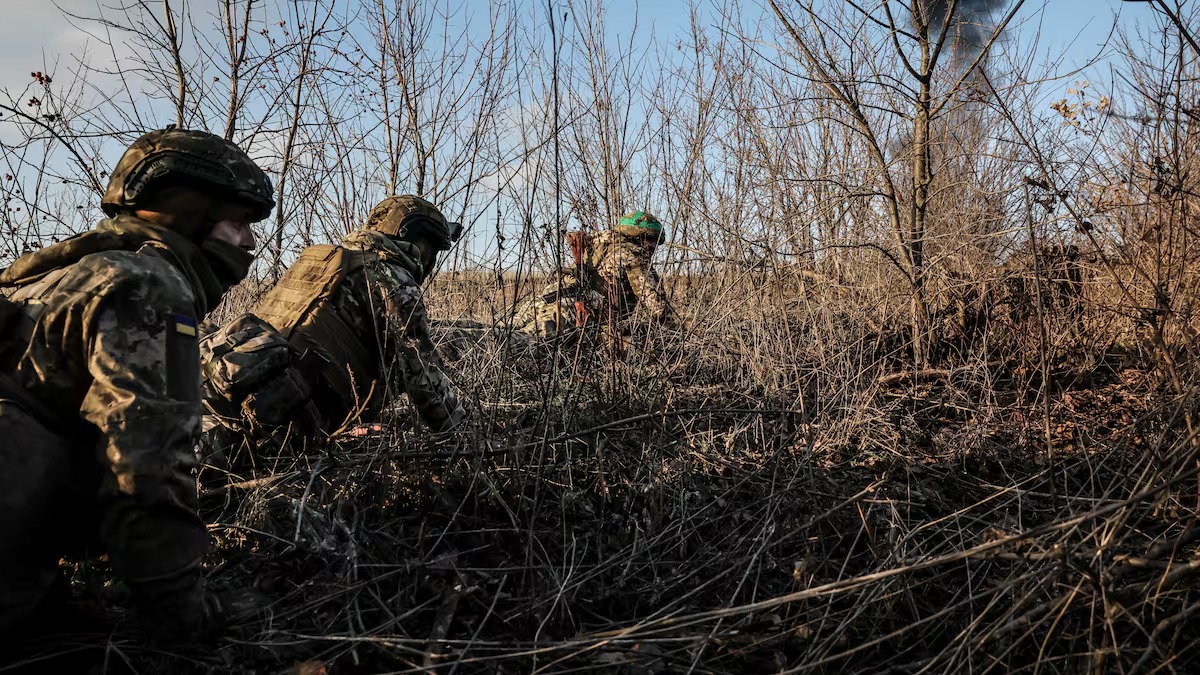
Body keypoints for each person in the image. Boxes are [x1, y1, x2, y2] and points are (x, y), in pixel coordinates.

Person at [0, 127, 274, 642]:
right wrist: (181, 612)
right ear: (188, 213)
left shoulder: (52, 274)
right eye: (238, 222)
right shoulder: (148, 284)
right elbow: (148, 467)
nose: (249, 243)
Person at [201, 194, 466, 441]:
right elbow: (422, 372)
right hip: (286, 416)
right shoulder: (392, 278)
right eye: (431, 249)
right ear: (417, 241)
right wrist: (463, 437)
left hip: (231, 387)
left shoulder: (324, 260)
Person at [512, 210, 676, 340]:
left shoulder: (597, 245)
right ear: (638, 235)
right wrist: (675, 334)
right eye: (651, 239)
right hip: (572, 311)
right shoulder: (633, 256)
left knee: (506, 328)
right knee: (519, 342)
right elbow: (658, 307)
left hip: (547, 298)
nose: (653, 246)